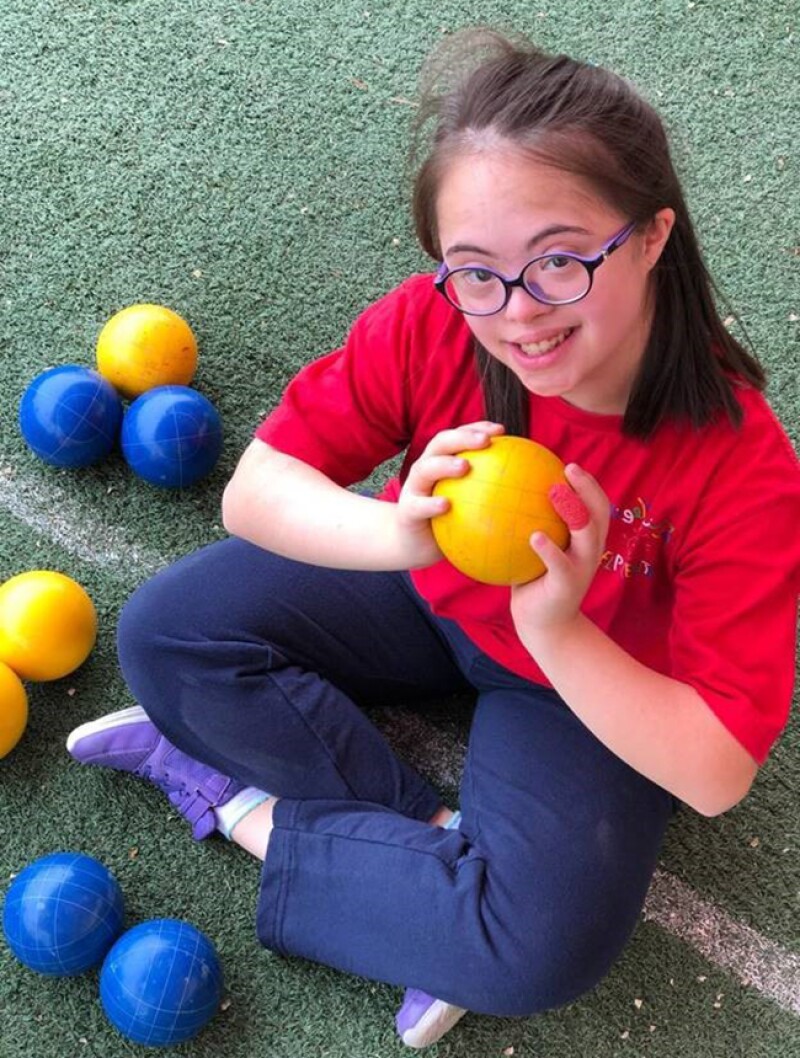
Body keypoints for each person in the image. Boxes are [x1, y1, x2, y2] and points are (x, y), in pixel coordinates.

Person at [67, 27, 800, 1049]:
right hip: (425, 589)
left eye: (558, 261)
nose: (516, 314)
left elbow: (716, 769)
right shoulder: (432, 325)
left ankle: (247, 806)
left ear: (648, 235)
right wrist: (399, 534)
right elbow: (257, 490)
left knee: (535, 946)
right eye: (474, 271)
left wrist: (556, 633)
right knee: (163, 637)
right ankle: (422, 860)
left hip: (583, 686)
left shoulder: (738, 462)